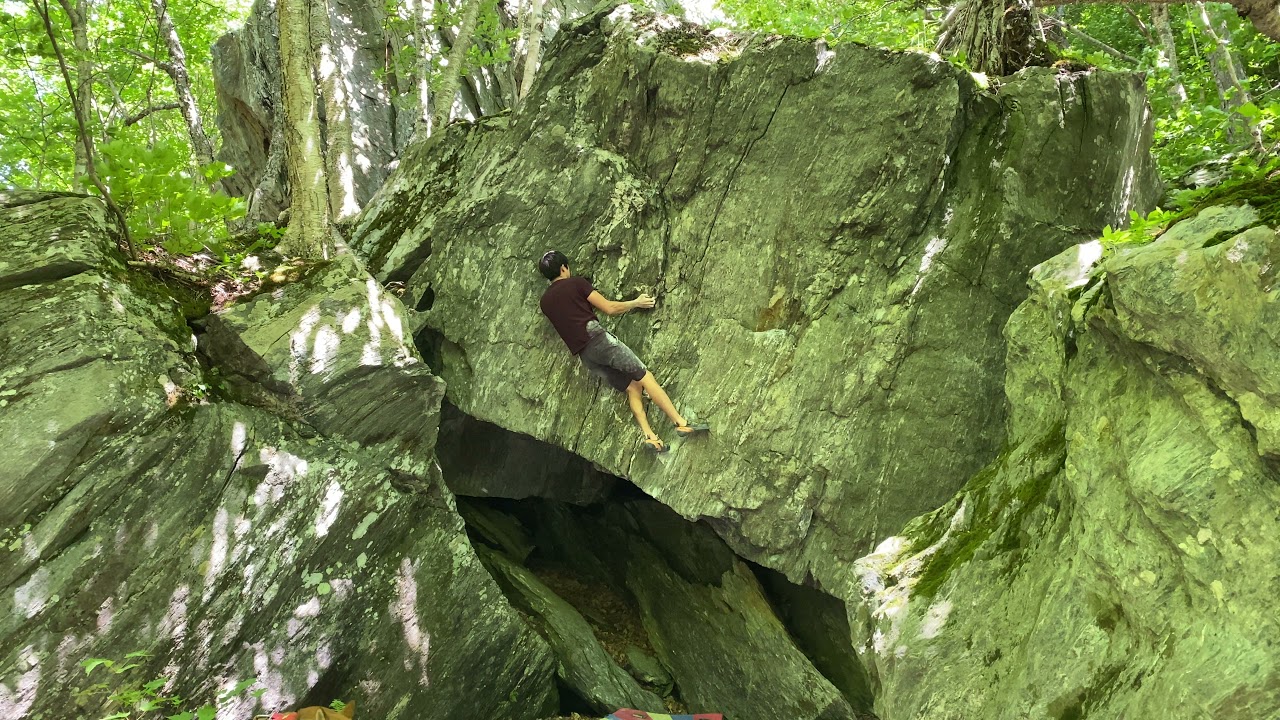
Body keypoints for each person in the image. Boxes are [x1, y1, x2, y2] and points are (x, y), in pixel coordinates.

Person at [537, 250, 708, 453]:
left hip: (586, 356)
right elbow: (609, 308)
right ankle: (681, 422)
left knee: (633, 387)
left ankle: (650, 437)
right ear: (564, 268)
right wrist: (635, 303)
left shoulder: (545, 302)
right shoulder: (576, 283)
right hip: (599, 341)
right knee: (645, 376)